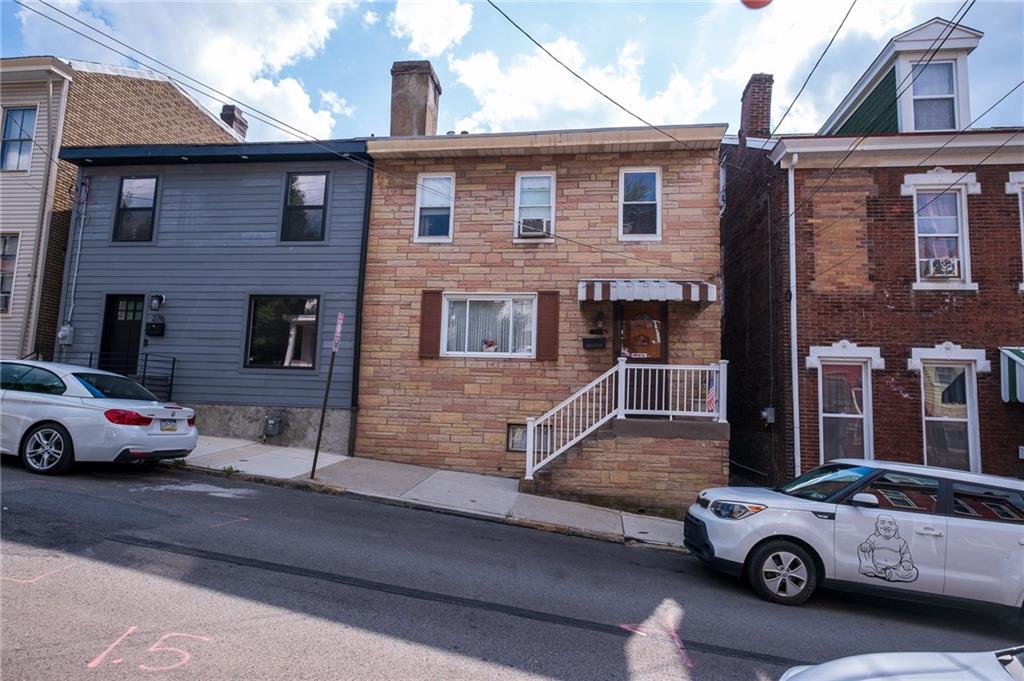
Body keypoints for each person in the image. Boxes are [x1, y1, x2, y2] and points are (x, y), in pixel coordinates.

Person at [857, 514, 918, 583]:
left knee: (913, 572)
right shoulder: (874, 538)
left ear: (896, 527)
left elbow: (906, 554)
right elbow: (868, 545)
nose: (886, 525)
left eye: (890, 524)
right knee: (862, 549)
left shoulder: (901, 542)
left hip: (895, 568)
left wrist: (906, 562)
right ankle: (869, 568)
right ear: (877, 526)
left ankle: (890, 574)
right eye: (882, 523)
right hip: (876, 566)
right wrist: (866, 545)